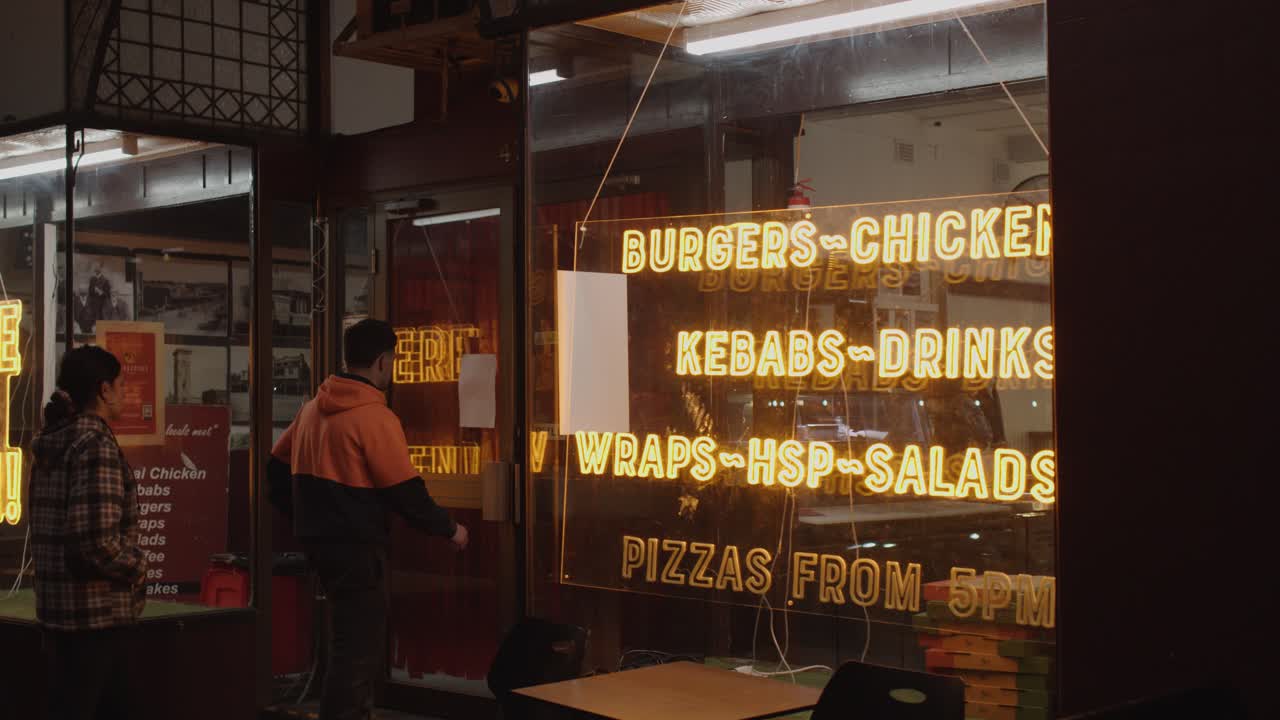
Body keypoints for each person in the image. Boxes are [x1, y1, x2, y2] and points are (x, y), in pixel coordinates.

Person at [269, 318, 468, 720]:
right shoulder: (375, 418)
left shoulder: (311, 411)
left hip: (321, 548)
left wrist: (309, 519)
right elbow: (404, 491)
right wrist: (450, 529)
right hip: (358, 550)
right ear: (382, 361)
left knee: (346, 646)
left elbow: (274, 472)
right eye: (392, 360)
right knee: (357, 654)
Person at [30, 346, 147, 720]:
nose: (126, 393)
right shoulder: (94, 443)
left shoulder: (56, 439)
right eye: (121, 385)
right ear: (103, 390)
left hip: (58, 611)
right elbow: (95, 542)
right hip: (96, 617)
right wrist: (138, 566)